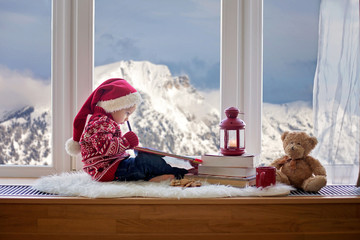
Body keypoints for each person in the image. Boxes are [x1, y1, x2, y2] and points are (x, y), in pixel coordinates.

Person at [65, 78, 190, 182]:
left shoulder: (105, 121)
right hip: (106, 170)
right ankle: (179, 174)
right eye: (127, 113)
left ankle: (161, 175)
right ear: (115, 107)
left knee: (144, 160)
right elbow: (106, 148)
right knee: (144, 163)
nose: (127, 118)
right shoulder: (100, 123)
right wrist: (126, 141)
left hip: (113, 165)